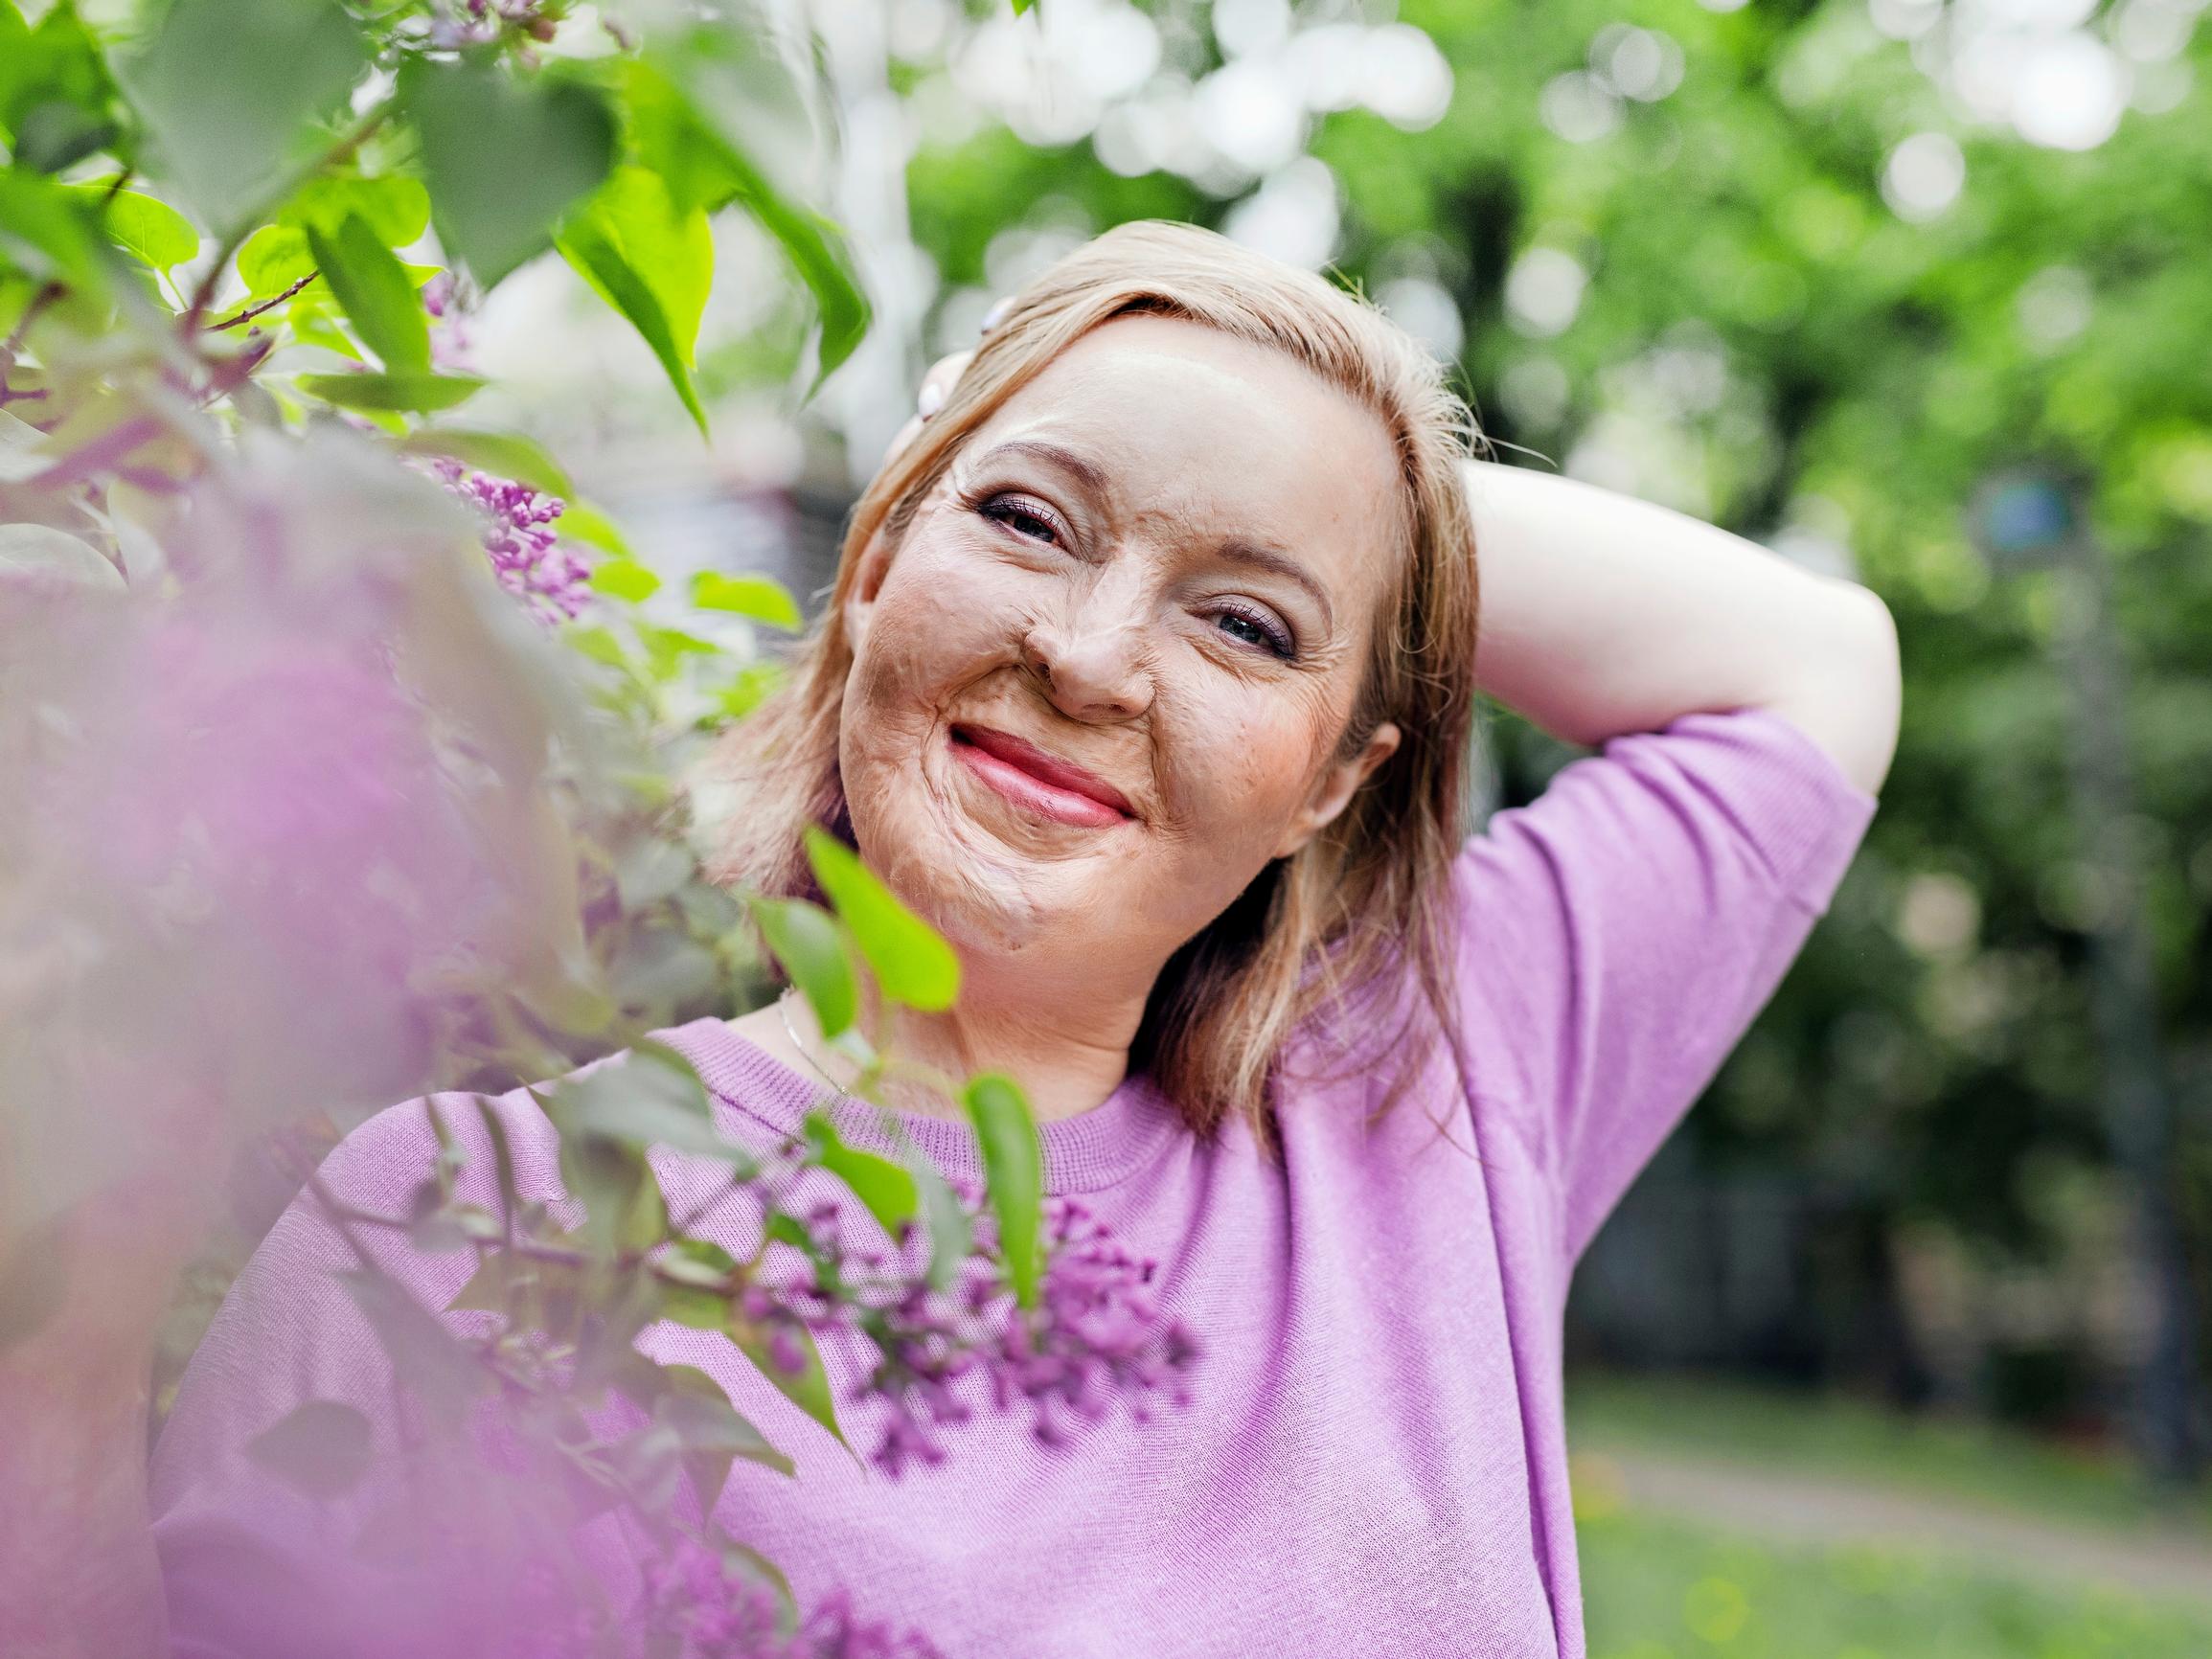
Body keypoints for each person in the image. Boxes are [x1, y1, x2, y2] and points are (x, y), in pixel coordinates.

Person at [8, 221, 1899, 1657]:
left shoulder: (1425, 1086)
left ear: (1340, 773)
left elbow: (1811, 667)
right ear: (875, 568)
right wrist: (67, 1355)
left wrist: (1330, 477)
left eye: (1249, 627)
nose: (1085, 656)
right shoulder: (467, 1207)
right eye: (1020, 520)